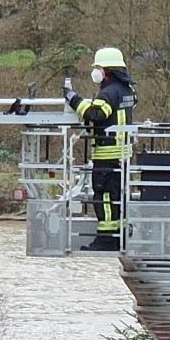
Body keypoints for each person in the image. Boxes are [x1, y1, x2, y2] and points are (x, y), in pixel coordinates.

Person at [64, 46, 135, 252]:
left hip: (108, 155)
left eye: (98, 67)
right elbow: (112, 111)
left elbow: (96, 114)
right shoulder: (126, 90)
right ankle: (118, 238)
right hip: (123, 155)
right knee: (116, 197)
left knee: (103, 197)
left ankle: (106, 240)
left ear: (106, 71)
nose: (95, 71)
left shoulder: (108, 93)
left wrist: (73, 99)